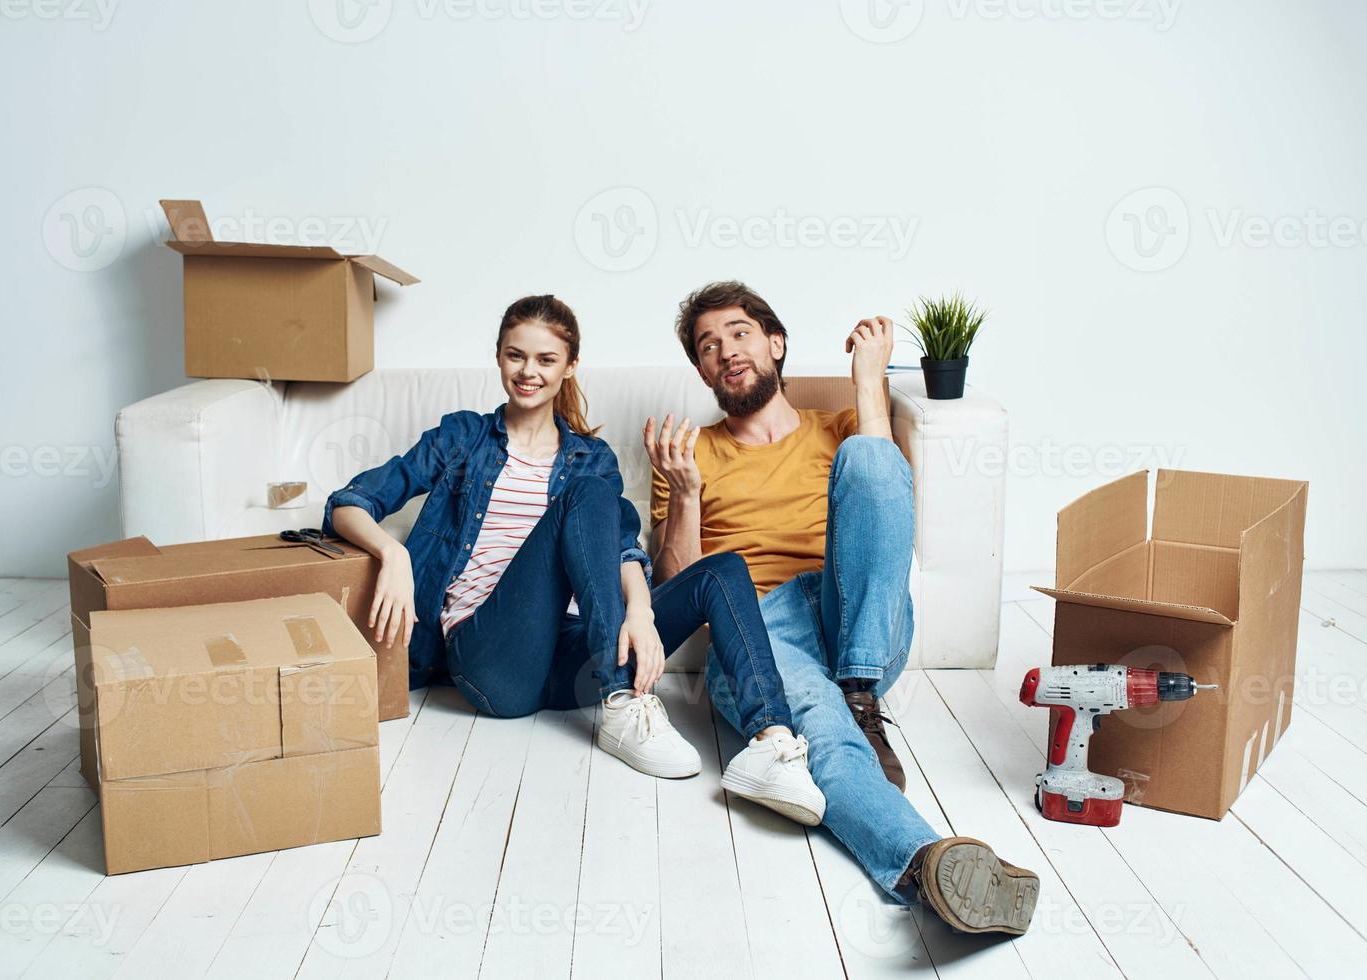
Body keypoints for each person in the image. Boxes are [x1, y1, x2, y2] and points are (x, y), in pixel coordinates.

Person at [322, 294, 825, 825]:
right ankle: (621, 702)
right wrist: (392, 554)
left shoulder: (590, 457)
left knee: (724, 570)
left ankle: (771, 742)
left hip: (570, 662)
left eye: (545, 360)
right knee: (585, 495)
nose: (528, 373)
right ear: (498, 358)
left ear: (569, 367)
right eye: (516, 357)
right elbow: (349, 502)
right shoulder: (462, 437)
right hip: (490, 663)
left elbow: (624, 550)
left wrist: (640, 610)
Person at [646, 281, 1040, 935]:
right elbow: (680, 590)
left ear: (775, 344)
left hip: (853, 610)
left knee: (870, 456)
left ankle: (859, 687)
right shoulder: (690, 454)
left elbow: (886, 505)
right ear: (701, 370)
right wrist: (685, 495)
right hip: (760, 631)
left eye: (739, 332)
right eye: (707, 345)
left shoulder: (838, 429)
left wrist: (866, 382)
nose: (725, 350)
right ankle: (926, 864)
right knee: (823, 744)